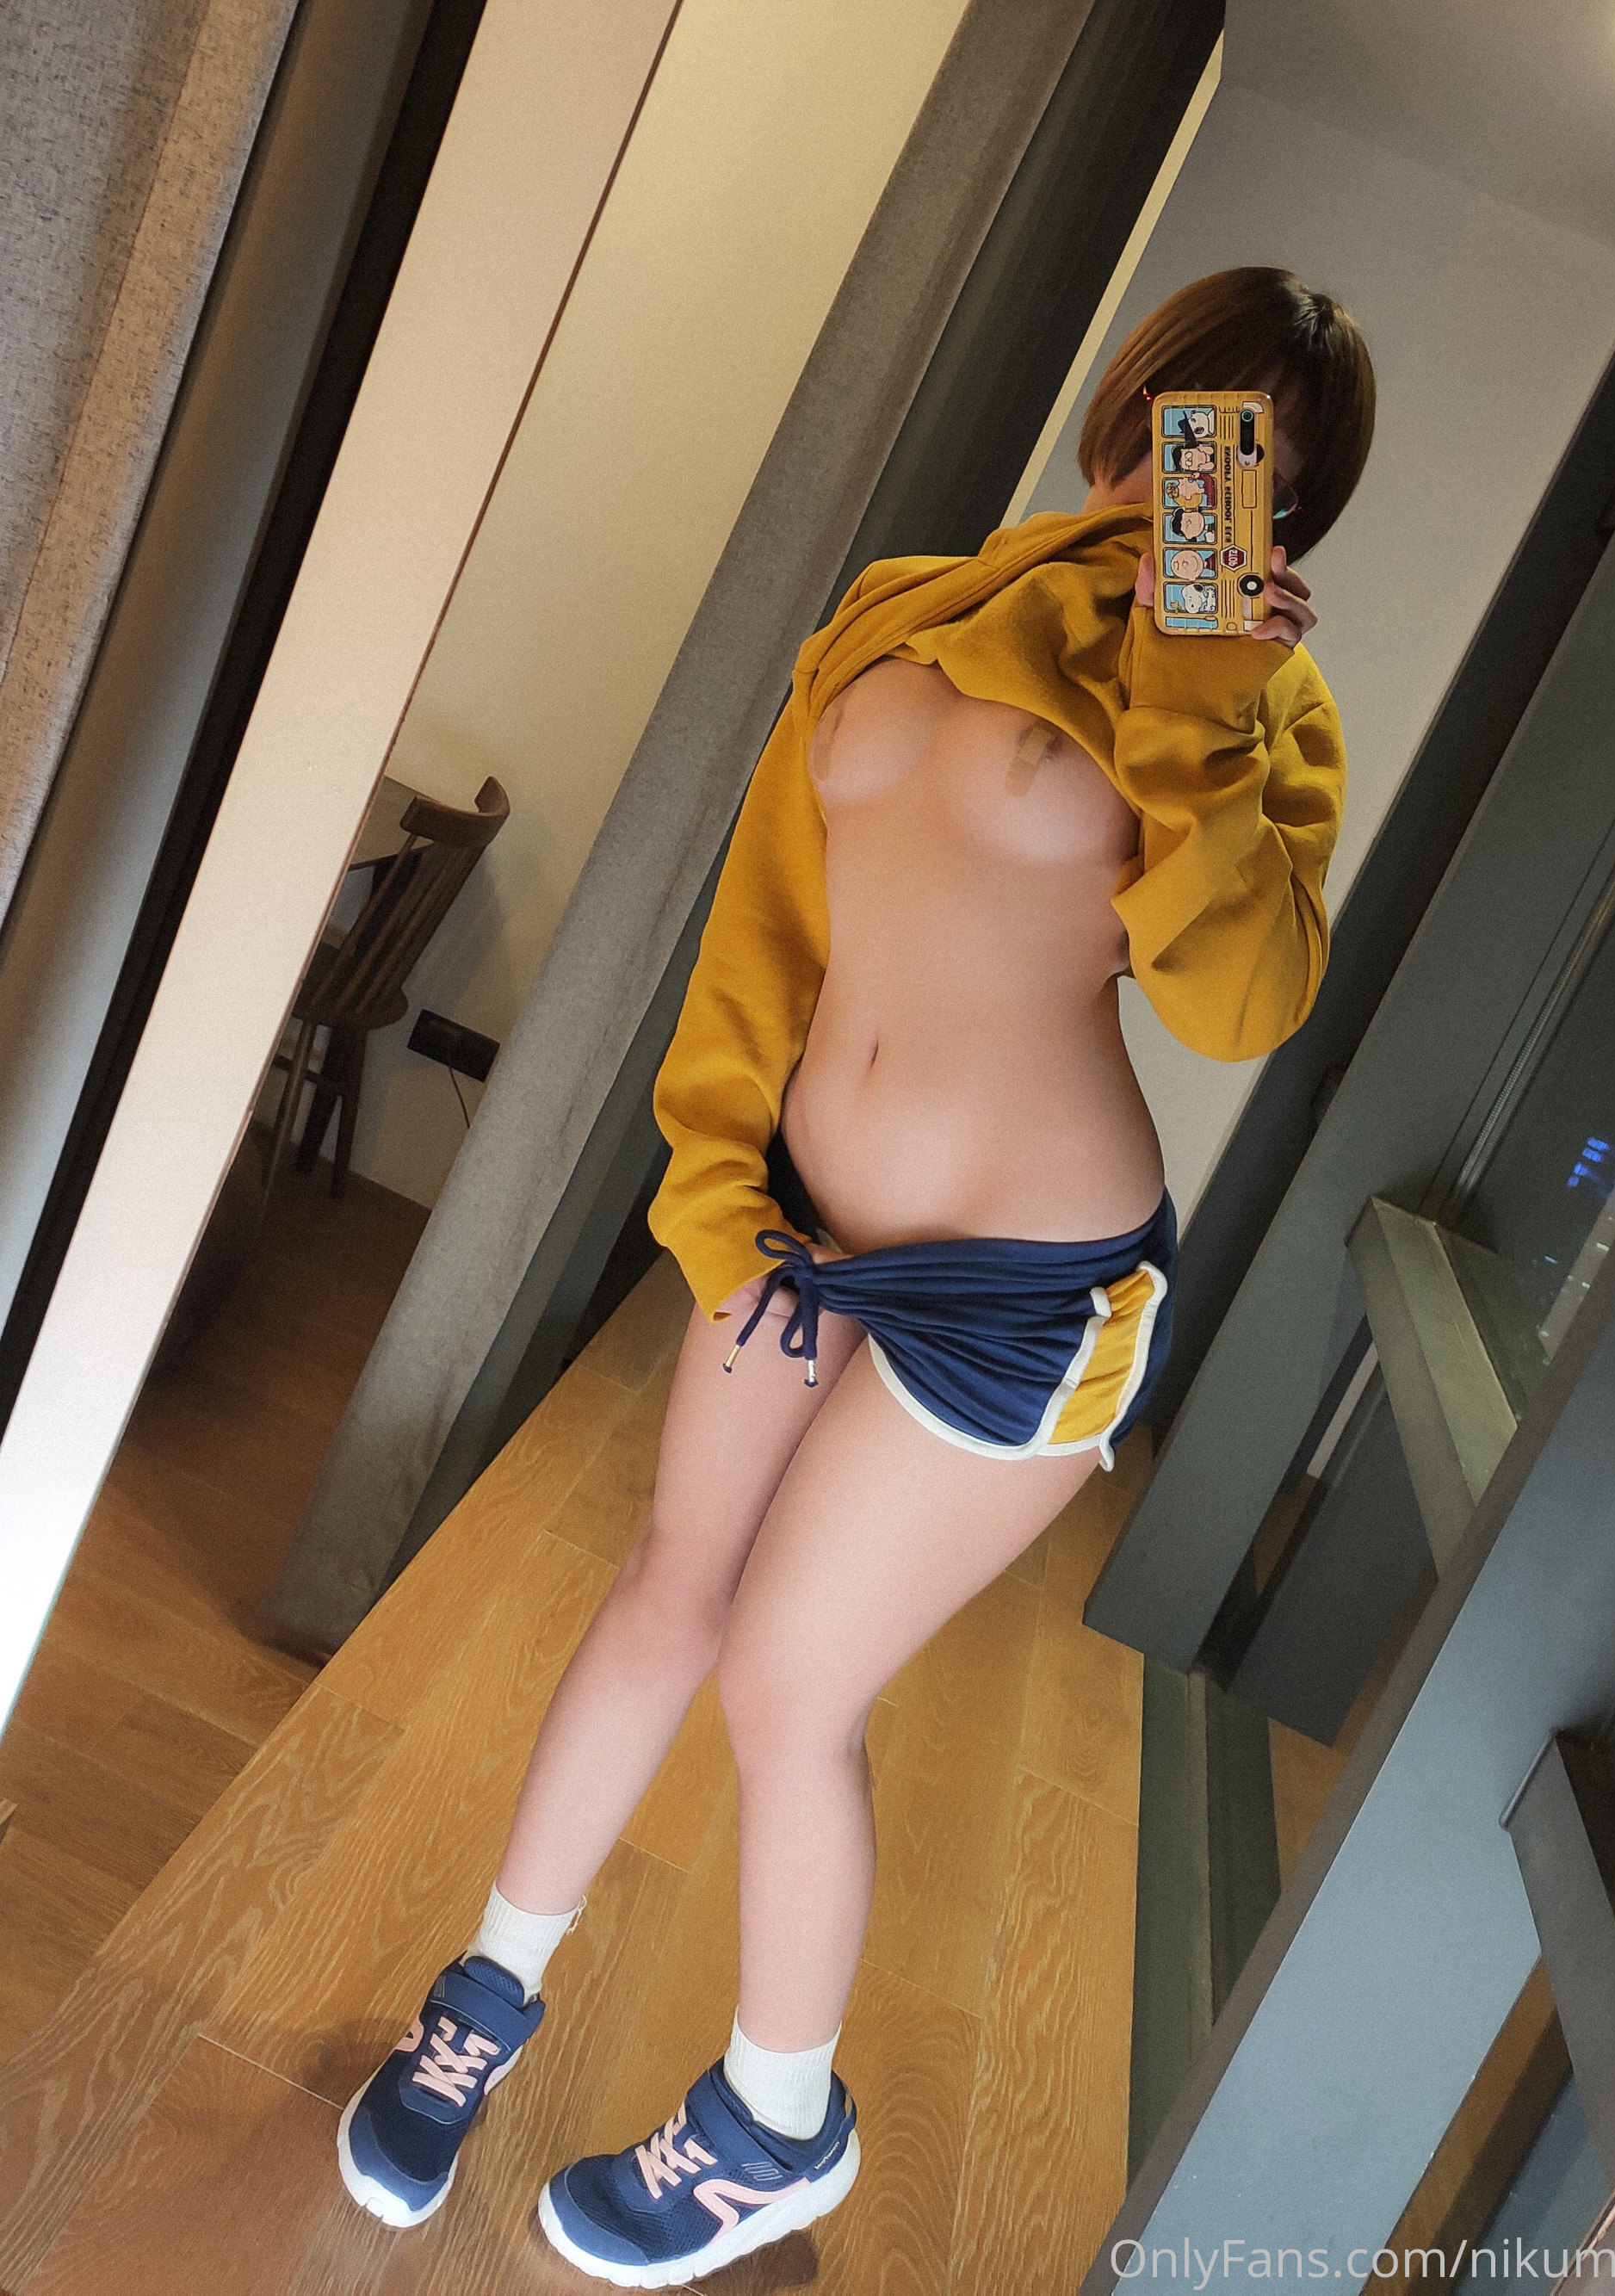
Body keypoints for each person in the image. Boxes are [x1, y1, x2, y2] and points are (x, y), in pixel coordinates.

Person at [335, 264, 1375, 2282]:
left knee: (787, 1680)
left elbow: (1238, 1002)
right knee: (667, 1588)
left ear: (1289, 495)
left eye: (1256, 450)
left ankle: (774, 2129)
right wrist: (719, 1190)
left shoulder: (1262, 699)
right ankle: (483, 1999)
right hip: (807, 1226)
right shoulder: (909, 603)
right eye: (1194, 406)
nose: (1202, 464)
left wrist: (1195, 699)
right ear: (1134, 394)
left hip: (1029, 1289)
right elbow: (763, 940)